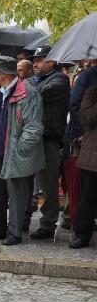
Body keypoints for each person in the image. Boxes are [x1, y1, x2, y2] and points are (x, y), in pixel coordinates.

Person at [0, 56, 45, 245]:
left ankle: (14, 233)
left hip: (16, 154)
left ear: (5, 74)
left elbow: (34, 128)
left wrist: (19, 149)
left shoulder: (28, 93)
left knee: (17, 196)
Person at [29, 45, 70, 240]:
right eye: (34, 60)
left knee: (48, 185)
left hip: (49, 139)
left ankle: (47, 223)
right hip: (30, 138)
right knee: (27, 182)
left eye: (40, 60)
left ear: (52, 62)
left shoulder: (60, 79)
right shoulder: (33, 80)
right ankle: (22, 219)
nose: (35, 63)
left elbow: (35, 94)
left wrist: (24, 88)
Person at [69, 86, 97, 248]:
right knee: (87, 197)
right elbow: (86, 118)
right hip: (92, 155)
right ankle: (82, 234)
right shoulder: (92, 93)